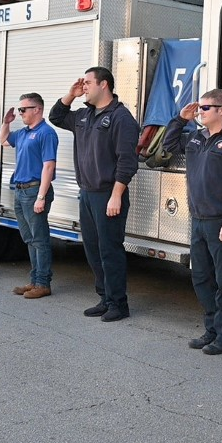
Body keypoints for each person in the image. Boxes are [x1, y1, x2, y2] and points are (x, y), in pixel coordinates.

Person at [163, 88, 222, 354]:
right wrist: (180, 119)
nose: (199, 112)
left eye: (205, 108)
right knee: (201, 278)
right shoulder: (196, 137)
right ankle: (212, 329)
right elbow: (168, 145)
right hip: (199, 220)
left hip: (221, 223)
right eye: (199, 108)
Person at [50, 68, 139, 321]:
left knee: (110, 249)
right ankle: (105, 298)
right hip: (87, 193)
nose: (84, 86)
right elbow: (56, 116)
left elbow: (127, 161)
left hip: (108, 194)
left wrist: (116, 194)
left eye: (88, 83)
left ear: (104, 85)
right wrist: (71, 94)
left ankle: (118, 304)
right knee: (92, 249)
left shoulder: (121, 118)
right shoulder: (83, 115)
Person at [1, 92, 58, 299]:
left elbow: (48, 166)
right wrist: (7, 123)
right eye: (19, 110)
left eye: (23, 109)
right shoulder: (23, 132)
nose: (20, 113)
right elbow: (4, 140)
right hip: (20, 189)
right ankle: (34, 281)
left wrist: (41, 197)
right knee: (29, 238)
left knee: (40, 239)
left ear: (37, 110)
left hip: (34, 190)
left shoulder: (46, 133)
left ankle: (43, 283)